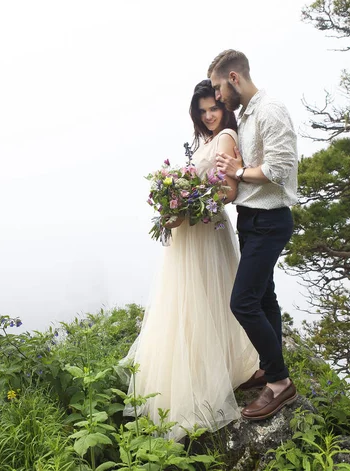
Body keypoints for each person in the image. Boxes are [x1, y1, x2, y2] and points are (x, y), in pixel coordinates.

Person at [121, 79, 259, 441]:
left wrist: (189, 202)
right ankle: (195, 373)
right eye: (203, 111)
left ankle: (211, 378)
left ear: (224, 107)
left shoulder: (228, 135)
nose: (210, 115)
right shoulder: (204, 142)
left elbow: (230, 191)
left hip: (206, 232)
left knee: (206, 300)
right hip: (189, 234)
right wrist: (174, 202)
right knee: (185, 303)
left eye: (213, 107)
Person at [209, 49, 299, 421]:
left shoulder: (270, 110)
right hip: (251, 218)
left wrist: (239, 170)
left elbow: (280, 167)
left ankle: (279, 384)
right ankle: (268, 365)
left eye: (217, 88)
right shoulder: (244, 117)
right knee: (264, 297)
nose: (216, 97)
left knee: (242, 302)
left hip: (270, 220)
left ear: (233, 78)